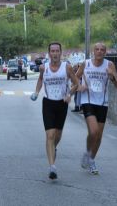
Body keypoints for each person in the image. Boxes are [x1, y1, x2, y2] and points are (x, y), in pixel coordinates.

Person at [31, 42, 79, 180]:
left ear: (61, 52)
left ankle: (53, 148)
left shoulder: (67, 67)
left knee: (57, 135)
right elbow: (40, 80)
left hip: (62, 104)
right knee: (50, 135)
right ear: (49, 53)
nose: (55, 53)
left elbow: (76, 84)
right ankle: (52, 166)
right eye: (52, 51)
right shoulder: (43, 67)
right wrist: (36, 92)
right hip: (48, 103)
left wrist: (69, 94)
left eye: (57, 51)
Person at [76, 43, 117, 175]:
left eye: (102, 50)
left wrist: (112, 76)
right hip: (88, 100)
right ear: (93, 51)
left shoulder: (109, 65)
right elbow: (75, 78)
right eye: (97, 49)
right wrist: (78, 87)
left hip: (103, 103)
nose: (99, 52)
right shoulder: (85, 64)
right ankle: (88, 151)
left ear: (105, 52)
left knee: (99, 135)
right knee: (94, 131)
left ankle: (91, 159)